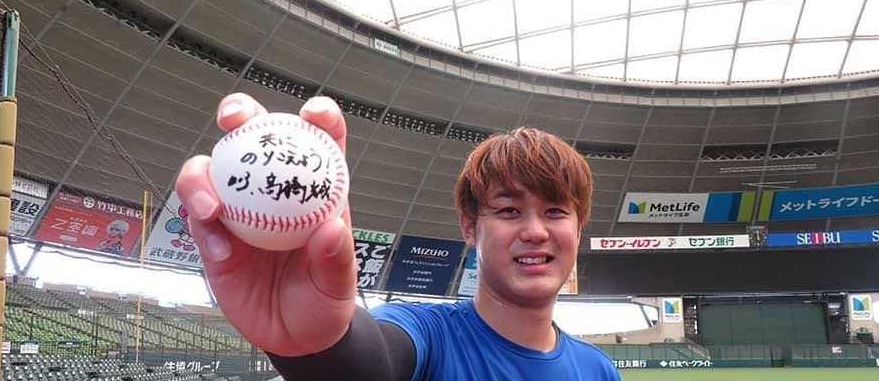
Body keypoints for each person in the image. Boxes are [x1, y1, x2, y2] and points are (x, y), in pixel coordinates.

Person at [176, 93, 620, 380]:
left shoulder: (598, 370)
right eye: (508, 210)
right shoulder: (426, 336)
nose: (536, 231)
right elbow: (372, 362)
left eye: (556, 211)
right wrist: (315, 345)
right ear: (470, 226)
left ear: (578, 228)